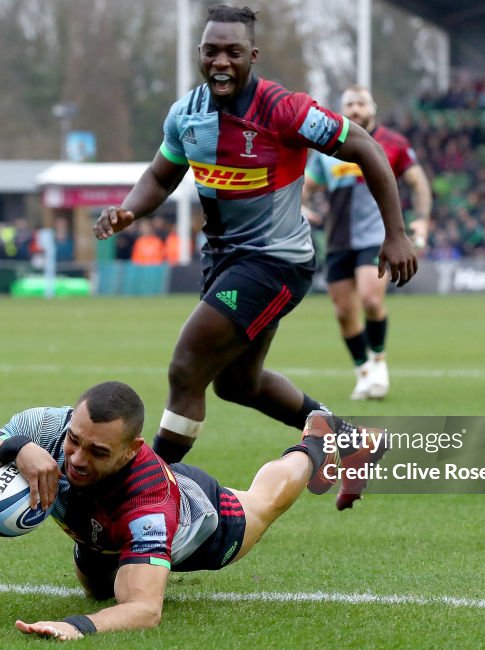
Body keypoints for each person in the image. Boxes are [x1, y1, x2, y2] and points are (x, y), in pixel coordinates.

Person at [93, 5, 416, 468]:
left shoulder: (286, 110)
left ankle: (149, 488)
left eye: (233, 52)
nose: (220, 61)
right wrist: (128, 209)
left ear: (252, 55)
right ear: (199, 55)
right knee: (236, 384)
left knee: (187, 367)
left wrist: (396, 233)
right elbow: (160, 178)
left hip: (276, 262)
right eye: (211, 52)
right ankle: (350, 438)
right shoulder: (187, 114)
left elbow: (365, 145)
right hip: (224, 261)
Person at [0, 381, 380, 638]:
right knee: (96, 587)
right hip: (101, 527)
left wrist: (78, 627)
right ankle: (99, 544)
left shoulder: (150, 504)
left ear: (131, 451)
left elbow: (145, 609)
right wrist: (14, 448)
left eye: (99, 452)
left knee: (265, 499)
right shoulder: (46, 426)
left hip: (207, 523)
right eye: (74, 441)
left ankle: (318, 443)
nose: (78, 458)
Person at [302, 85, 432, 400]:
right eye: (349, 104)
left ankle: (379, 363)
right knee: (344, 312)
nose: (355, 109)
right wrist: (300, 206)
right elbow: (308, 185)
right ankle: (363, 373)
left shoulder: (393, 144)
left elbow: (419, 182)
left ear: (372, 109)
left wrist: (422, 219)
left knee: (371, 300)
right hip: (337, 239)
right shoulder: (326, 148)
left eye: (361, 103)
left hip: (376, 236)